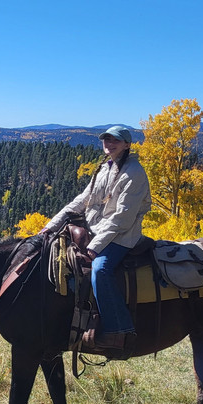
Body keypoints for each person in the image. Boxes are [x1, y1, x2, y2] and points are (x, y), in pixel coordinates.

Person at [41, 125, 151, 352]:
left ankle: (118, 330)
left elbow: (122, 218)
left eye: (115, 141)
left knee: (100, 269)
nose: (109, 144)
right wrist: (50, 227)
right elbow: (81, 200)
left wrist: (95, 246)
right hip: (96, 230)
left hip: (121, 235)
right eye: (106, 140)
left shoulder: (134, 173)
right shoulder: (105, 168)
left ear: (127, 145)